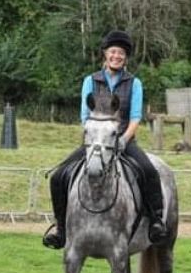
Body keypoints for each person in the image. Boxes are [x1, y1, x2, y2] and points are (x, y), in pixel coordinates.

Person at [42, 29, 167, 249]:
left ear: (125, 57)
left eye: (121, 53)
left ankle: (156, 221)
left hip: (123, 141)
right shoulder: (90, 81)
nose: (116, 56)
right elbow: (84, 116)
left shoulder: (134, 83)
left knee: (149, 171)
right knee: (58, 176)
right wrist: (97, 140)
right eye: (113, 52)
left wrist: (123, 139)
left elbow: (136, 117)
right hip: (95, 142)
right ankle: (61, 228)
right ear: (105, 54)